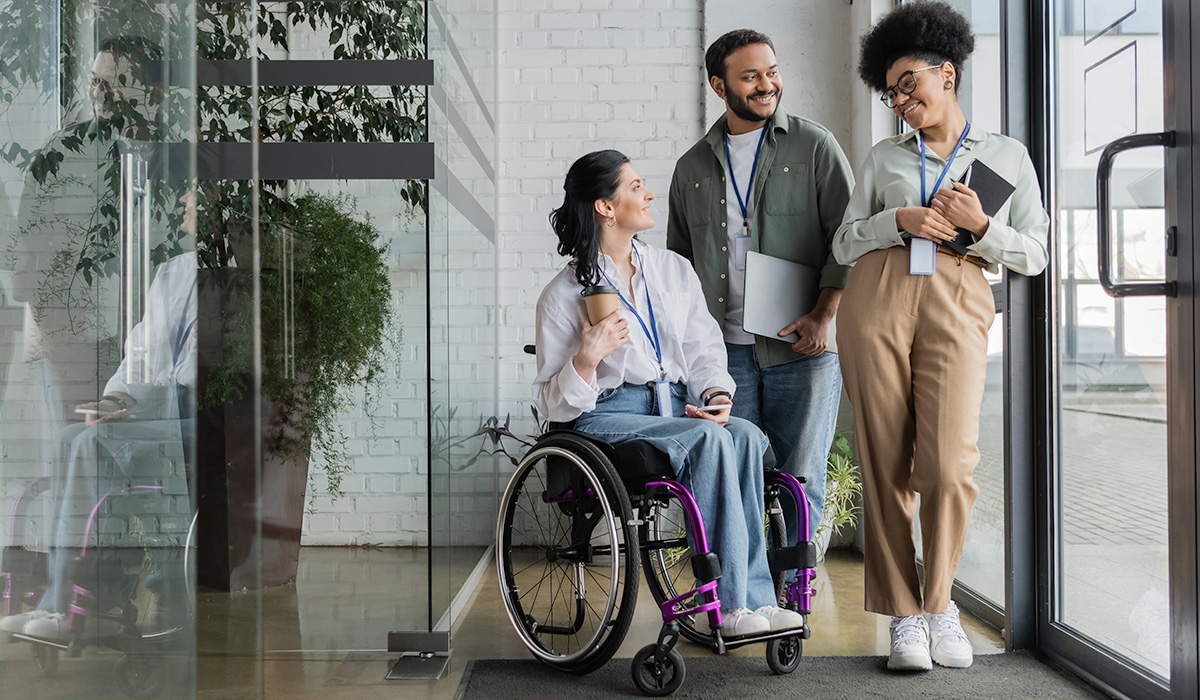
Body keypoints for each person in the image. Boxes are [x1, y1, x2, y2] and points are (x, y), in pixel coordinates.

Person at [832, 1, 1049, 672]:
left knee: (950, 466)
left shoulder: (1005, 155)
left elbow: (1036, 253)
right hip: (879, 295)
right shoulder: (882, 157)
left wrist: (983, 227)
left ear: (945, 74)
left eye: (908, 84)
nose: (899, 100)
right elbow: (843, 240)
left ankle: (940, 603)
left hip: (960, 293)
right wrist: (894, 219)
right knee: (886, 461)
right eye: (890, 90)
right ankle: (906, 615)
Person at [533, 150, 803, 638]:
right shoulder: (563, 294)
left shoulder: (673, 270)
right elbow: (553, 405)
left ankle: (757, 601)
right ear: (605, 207)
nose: (649, 193)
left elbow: (703, 349)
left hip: (676, 405)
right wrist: (588, 358)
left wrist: (717, 393)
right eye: (636, 186)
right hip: (607, 417)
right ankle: (732, 604)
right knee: (710, 441)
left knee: (740, 434)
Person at [667, 29, 855, 543]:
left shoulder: (815, 146)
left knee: (801, 477)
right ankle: (746, 598)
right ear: (718, 85)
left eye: (771, 72)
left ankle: (793, 601)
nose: (766, 85)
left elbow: (850, 237)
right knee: (731, 474)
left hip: (802, 346)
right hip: (722, 354)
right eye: (749, 76)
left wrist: (825, 314)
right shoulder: (691, 168)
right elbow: (677, 268)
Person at [0, 190, 197, 642]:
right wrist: (117, 399)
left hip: (198, 417)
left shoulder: (234, 280)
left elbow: (198, 376)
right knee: (72, 436)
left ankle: (68, 600)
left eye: (195, 195)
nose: (185, 199)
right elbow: (141, 356)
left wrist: (139, 401)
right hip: (159, 409)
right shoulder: (173, 273)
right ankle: (77, 590)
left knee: (91, 444)